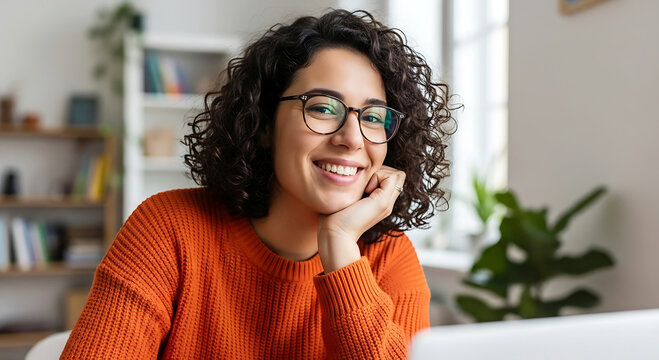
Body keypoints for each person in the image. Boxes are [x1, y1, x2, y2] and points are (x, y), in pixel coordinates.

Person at [61, 9, 456, 359]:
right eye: (322, 108)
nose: (352, 138)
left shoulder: (388, 258)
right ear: (264, 124)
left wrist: (339, 246)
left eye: (373, 117)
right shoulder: (168, 229)